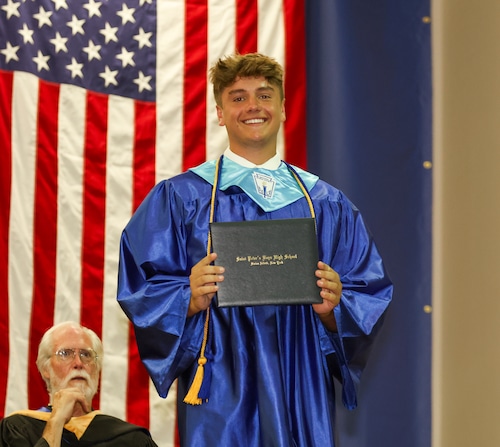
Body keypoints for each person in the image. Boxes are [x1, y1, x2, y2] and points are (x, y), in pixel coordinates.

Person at [117, 52, 393, 446]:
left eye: (264, 96)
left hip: (300, 376)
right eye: (238, 97)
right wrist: (186, 297)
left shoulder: (325, 203)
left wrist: (336, 308)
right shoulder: (181, 199)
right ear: (220, 112)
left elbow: (368, 291)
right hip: (220, 377)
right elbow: (140, 284)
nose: (253, 106)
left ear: (283, 108)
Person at [0, 321, 158, 446]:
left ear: (97, 369)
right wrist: (56, 421)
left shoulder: (132, 440)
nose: (78, 363)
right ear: (45, 368)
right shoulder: (16, 429)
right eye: (65, 353)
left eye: (86, 354)